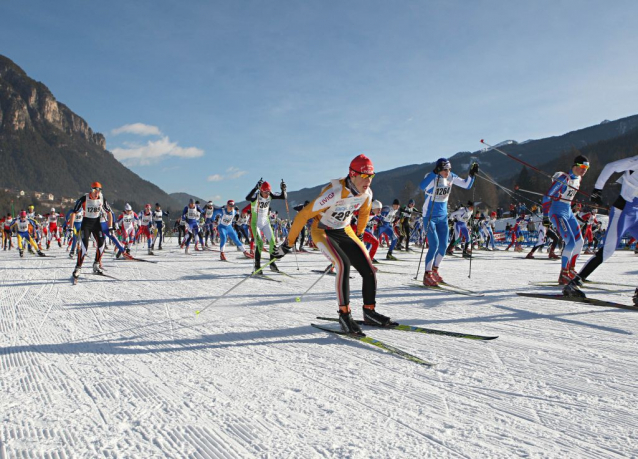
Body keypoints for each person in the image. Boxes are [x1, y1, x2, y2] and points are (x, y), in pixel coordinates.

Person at [273, 154, 396, 336]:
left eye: (371, 176)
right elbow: (303, 215)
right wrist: (287, 244)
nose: (368, 180)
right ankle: (344, 316)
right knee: (342, 265)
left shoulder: (367, 193)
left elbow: (364, 213)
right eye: (363, 175)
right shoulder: (335, 192)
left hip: (344, 230)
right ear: (352, 174)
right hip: (322, 230)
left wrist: (360, 235)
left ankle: (369, 312)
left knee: (368, 269)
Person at [564, 155, 638, 301]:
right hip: (622, 212)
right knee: (608, 250)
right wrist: (597, 190)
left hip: (635, 213)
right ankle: (574, 284)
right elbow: (610, 167)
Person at [419, 158, 478, 286]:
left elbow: (467, 185)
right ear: (439, 169)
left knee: (444, 245)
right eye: (445, 169)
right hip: (429, 216)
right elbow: (422, 186)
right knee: (434, 245)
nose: (448, 172)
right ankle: (427, 274)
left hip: (442, 217)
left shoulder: (451, 177)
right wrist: (435, 173)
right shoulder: (431, 177)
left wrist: (471, 174)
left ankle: (435, 270)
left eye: (449, 169)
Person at [542, 155, 590, 284]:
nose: (584, 170)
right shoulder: (564, 178)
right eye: (583, 167)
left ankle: (571, 269)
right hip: (557, 212)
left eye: (587, 167)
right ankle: (563, 274)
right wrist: (545, 217)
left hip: (568, 211)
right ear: (575, 166)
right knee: (570, 243)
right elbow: (546, 197)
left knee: (580, 241)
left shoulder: (578, 179)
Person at [69, 182, 112, 279]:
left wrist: (110, 227)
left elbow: (109, 213)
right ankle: (78, 268)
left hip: (96, 224)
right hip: (86, 224)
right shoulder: (84, 198)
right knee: (84, 247)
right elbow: (74, 213)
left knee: (102, 244)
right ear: (91, 190)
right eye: (94, 190)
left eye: (98, 191)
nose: (96, 193)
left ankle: (96, 264)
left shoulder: (101, 198)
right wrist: (71, 228)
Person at [245, 179, 287, 272]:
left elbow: (283, 197)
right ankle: (257, 266)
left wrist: (283, 189)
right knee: (260, 243)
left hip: (265, 222)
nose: (267, 194)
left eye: (268, 192)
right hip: (256, 223)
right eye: (265, 192)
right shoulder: (256, 196)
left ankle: (272, 264)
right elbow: (247, 198)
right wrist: (255, 188)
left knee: (273, 242)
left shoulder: (270, 195)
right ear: (261, 190)